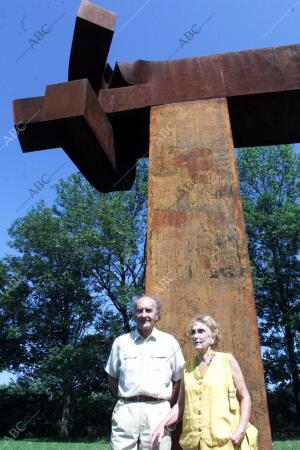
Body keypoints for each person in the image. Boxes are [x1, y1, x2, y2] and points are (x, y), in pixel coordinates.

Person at [150, 314, 258, 450]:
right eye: (193, 332)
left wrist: (241, 430)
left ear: (213, 337)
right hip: (194, 443)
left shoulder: (227, 360)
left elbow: (245, 397)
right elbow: (181, 404)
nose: (195, 336)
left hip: (225, 441)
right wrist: (162, 425)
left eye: (201, 331)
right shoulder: (187, 368)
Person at [105, 295, 185, 450]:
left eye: (149, 310)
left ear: (157, 315)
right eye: (139, 310)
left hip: (158, 410)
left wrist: (166, 403)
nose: (143, 314)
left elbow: (179, 380)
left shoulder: (169, 342)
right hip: (126, 410)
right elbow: (112, 379)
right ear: (134, 315)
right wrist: (129, 398)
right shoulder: (121, 343)